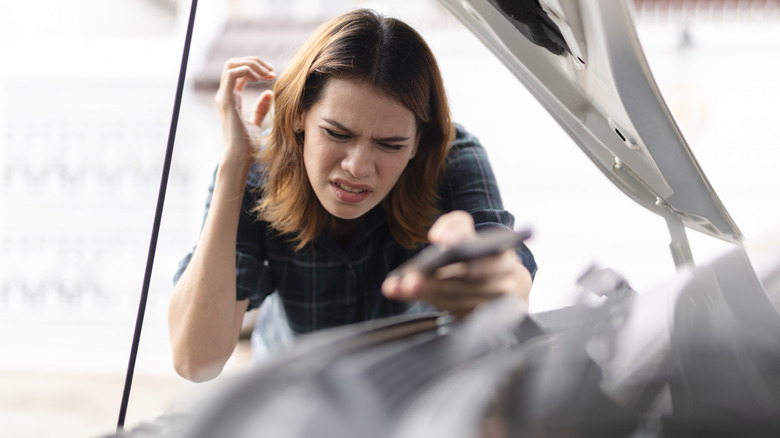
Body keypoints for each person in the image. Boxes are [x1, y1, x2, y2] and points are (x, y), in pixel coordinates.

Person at [168, 8, 537, 382]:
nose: (358, 167)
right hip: (296, 395)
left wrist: (490, 280)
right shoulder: (256, 170)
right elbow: (196, 361)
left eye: (390, 145)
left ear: (417, 144)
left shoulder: (450, 158)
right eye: (337, 134)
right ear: (298, 115)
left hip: (407, 395)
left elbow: (507, 280)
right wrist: (233, 166)